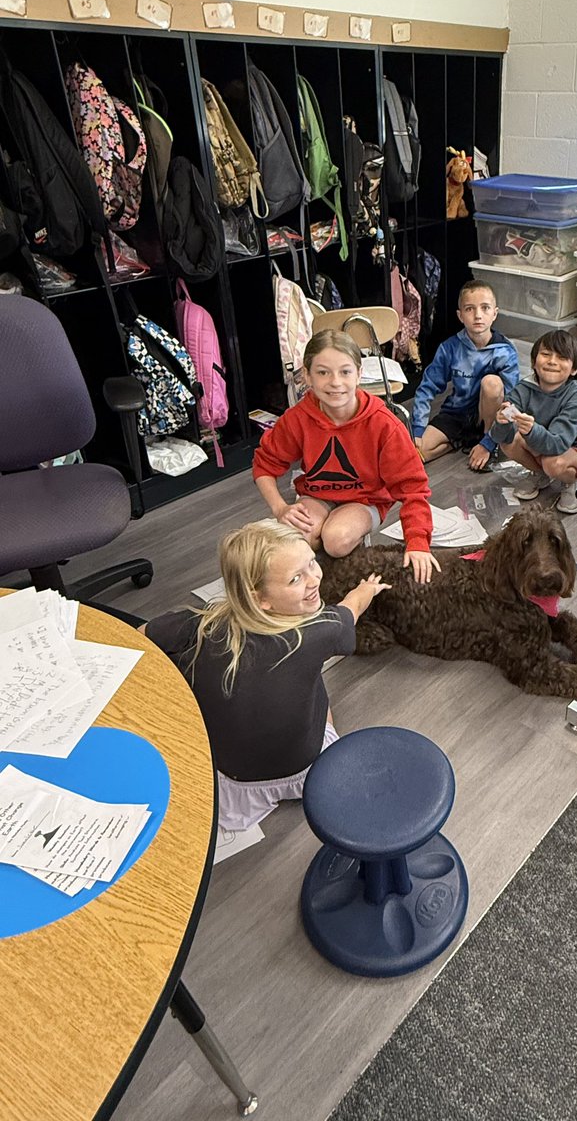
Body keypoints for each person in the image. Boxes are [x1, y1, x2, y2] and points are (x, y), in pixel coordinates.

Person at [142, 520, 390, 832]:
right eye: (295, 578)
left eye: (312, 563)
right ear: (260, 598)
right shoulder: (318, 631)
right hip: (304, 770)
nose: (314, 579)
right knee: (316, 685)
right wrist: (365, 589)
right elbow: (350, 611)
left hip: (229, 780)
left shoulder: (199, 622)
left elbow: (140, 636)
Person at [253, 329, 440, 584]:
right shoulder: (298, 418)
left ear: (359, 374)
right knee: (297, 534)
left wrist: (418, 542)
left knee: (337, 539)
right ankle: (317, 582)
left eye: (345, 371)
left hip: (366, 500)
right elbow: (265, 464)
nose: (335, 382)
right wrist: (280, 508)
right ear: (307, 375)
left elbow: (413, 489)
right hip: (317, 495)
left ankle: (344, 572)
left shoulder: (384, 424)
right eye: (322, 372)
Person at [412, 279, 520, 471]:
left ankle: (487, 442)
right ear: (460, 316)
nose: (478, 315)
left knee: (492, 383)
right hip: (456, 413)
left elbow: (513, 401)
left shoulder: (506, 351)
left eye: (485, 308)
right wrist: (418, 429)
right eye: (470, 309)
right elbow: (427, 387)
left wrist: (489, 441)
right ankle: (460, 440)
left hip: (490, 418)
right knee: (417, 453)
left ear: (495, 313)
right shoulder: (449, 348)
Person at [489, 329, 577, 515]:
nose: (552, 361)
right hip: (543, 443)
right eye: (546, 354)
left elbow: (558, 443)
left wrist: (531, 430)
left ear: (574, 369)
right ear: (534, 362)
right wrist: (501, 422)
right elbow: (499, 437)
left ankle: (569, 482)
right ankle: (540, 474)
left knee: (553, 463)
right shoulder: (523, 389)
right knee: (509, 443)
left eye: (562, 357)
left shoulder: (576, 395)